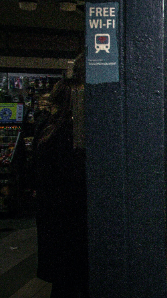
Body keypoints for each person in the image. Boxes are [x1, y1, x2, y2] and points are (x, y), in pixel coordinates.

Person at [32, 78, 89, 297]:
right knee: (75, 278)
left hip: (53, 217)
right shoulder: (69, 133)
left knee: (64, 280)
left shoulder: (47, 128)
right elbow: (75, 176)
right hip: (71, 219)